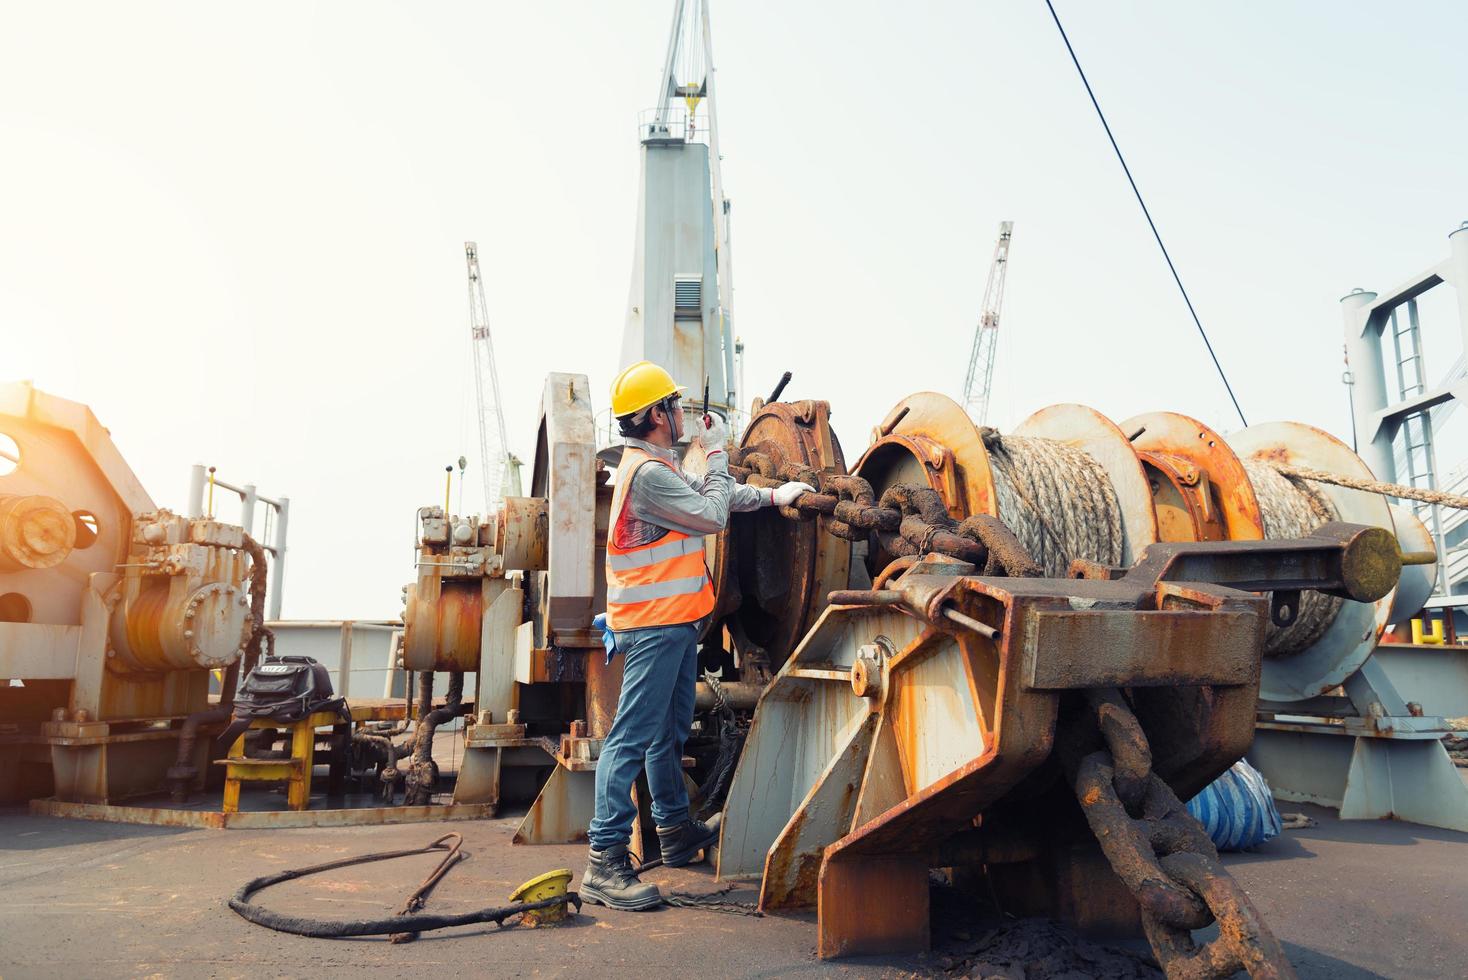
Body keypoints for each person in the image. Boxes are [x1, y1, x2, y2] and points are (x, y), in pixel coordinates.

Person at [579, 360, 814, 911]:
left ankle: (675, 831)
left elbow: (718, 499)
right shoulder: (649, 475)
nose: (684, 414)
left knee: (667, 732)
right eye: (676, 406)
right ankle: (604, 862)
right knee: (630, 738)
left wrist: (775, 499)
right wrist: (713, 452)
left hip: (676, 623)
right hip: (654, 627)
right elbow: (711, 514)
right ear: (656, 415)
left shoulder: (656, 468)